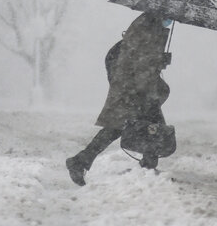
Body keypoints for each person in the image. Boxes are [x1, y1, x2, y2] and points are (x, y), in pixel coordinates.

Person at [65, 12, 172, 186]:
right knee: (145, 125)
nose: (171, 20)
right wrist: (158, 62)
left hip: (133, 85)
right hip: (133, 87)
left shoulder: (150, 25)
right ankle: (147, 169)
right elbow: (140, 62)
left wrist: (159, 61)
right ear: (161, 12)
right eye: (169, 16)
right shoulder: (146, 27)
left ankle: (81, 161)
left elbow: (141, 59)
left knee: (128, 126)